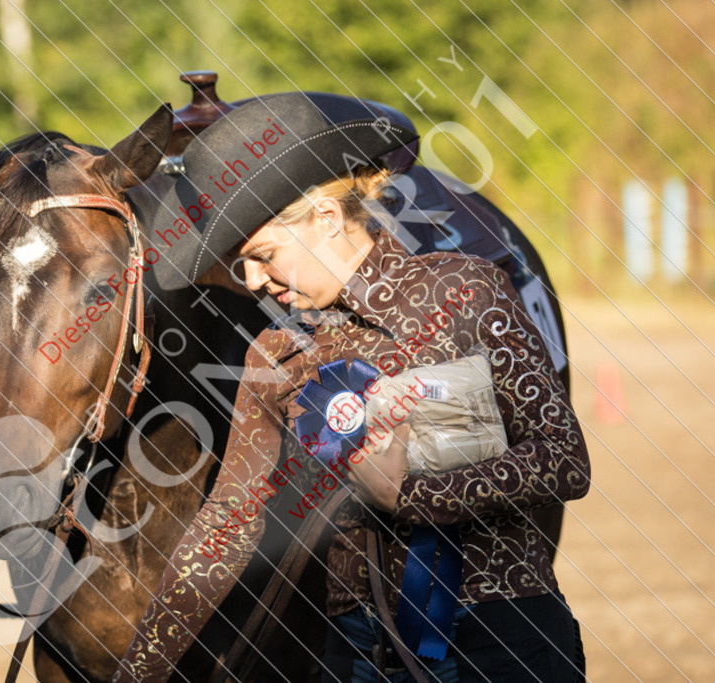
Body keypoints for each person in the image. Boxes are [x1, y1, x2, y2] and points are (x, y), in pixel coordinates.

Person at [112, 93, 590, 682]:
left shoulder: (466, 290)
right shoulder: (276, 356)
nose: (255, 281)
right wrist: (137, 672)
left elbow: (564, 461)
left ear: (328, 219)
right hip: (355, 654)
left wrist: (407, 497)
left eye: (263, 256)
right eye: (243, 265)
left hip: (501, 637)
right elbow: (226, 526)